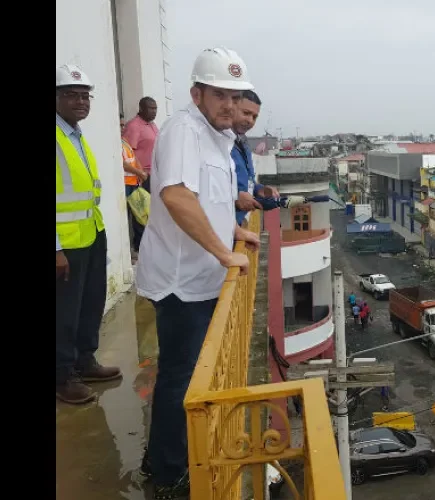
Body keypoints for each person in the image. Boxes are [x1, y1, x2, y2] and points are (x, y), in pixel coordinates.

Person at [135, 47, 260, 498]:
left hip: (202, 278)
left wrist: (233, 231)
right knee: (179, 377)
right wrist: (224, 254)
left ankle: (169, 454)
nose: (230, 105)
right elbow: (177, 196)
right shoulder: (183, 131)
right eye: (220, 95)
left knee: (190, 375)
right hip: (180, 281)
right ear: (197, 93)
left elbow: (210, 199)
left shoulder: (217, 138)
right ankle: (168, 472)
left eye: (235, 95)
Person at [56, 64, 122, 405]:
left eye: (85, 96)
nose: (80, 102)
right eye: (71, 95)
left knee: (89, 304)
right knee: (63, 313)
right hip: (65, 244)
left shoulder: (75, 135)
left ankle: (85, 361)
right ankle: (63, 376)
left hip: (91, 236)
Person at [231, 90, 279, 225]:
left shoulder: (243, 143)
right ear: (231, 108)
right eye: (245, 113)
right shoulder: (220, 142)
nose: (250, 120)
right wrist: (235, 198)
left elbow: (246, 182)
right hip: (221, 228)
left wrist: (259, 189)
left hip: (237, 225)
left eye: (254, 117)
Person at [121, 114, 148, 257]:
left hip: (134, 183)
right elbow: (123, 164)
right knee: (128, 218)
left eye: (122, 125)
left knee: (139, 217)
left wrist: (141, 171)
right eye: (119, 125)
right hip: (125, 185)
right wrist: (139, 172)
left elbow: (133, 157)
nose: (121, 128)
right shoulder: (116, 144)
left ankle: (139, 248)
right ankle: (130, 252)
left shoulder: (124, 142)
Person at [123, 96, 159, 193]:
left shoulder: (153, 125)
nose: (154, 111)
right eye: (151, 108)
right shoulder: (134, 126)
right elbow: (128, 153)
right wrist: (141, 173)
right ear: (141, 109)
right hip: (143, 177)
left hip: (155, 175)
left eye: (155, 108)